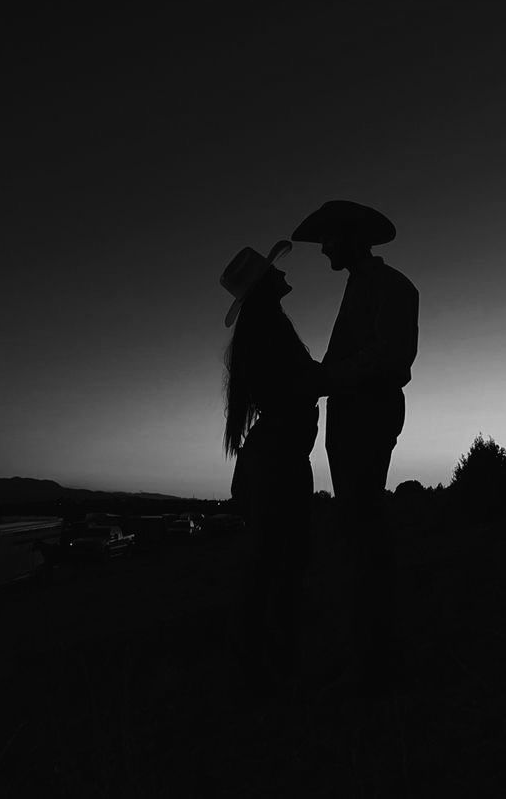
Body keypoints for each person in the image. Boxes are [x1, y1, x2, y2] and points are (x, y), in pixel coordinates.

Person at [291, 200, 419, 689]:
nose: (323, 249)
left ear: (349, 238)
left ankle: (376, 654)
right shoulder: (362, 286)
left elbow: (391, 355)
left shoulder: (394, 287)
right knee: (356, 523)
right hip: (351, 412)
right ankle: (371, 644)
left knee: (362, 525)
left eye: (328, 240)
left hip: (368, 410)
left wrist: (324, 379)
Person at [220, 240, 322, 695]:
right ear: (264, 286)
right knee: (281, 562)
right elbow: (300, 384)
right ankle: (273, 666)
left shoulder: (265, 328)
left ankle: (265, 663)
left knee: (272, 562)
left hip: (275, 457)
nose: (282, 273)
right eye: (273, 271)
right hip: (280, 459)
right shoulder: (270, 330)